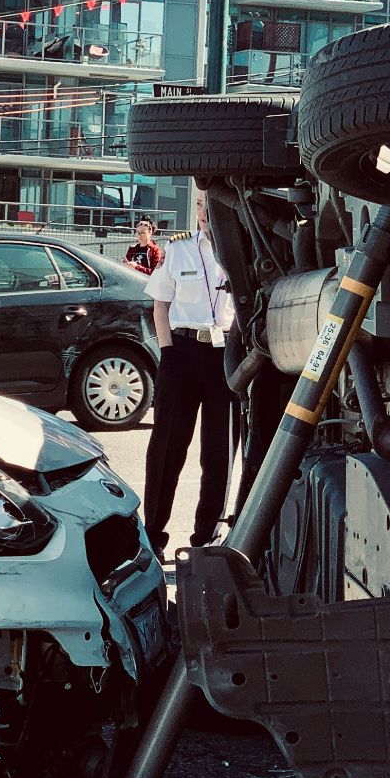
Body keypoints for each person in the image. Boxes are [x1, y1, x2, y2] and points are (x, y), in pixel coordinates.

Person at [141, 192, 234, 558]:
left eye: (209, 204)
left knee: (219, 451)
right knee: (167, 447)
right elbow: (160, 304)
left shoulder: (239, 249)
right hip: (182, 351)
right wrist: (167, 352)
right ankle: (153, 534)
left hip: (225, 354)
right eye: (198, 204)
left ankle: (205, 537)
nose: (203, 212)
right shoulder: (178, 249)